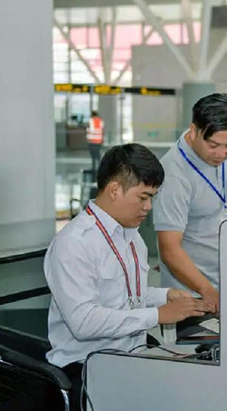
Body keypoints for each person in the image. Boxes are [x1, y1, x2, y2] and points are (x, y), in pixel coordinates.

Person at [44, 144, 212, 409]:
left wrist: (164, 296)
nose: (148, 207)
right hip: (88, 365)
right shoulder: (74, 243)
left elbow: (124, 294)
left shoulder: (130, 236)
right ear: (114, 190)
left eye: (152, 198)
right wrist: (158, 314)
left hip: (130, 354)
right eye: (143, 197)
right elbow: (84, 322)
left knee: (201, 383)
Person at [153, 94, 227, 313]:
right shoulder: (174, 174)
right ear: (194, 131)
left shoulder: (223, 154)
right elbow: (170, 248)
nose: (223, 153)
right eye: (214, 145)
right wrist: (208, 291)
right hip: (193, 295)